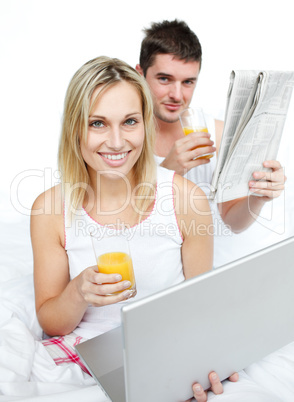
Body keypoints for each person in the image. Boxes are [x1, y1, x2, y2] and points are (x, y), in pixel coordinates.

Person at [30, 56, 236, 401]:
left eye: (129, 121)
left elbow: (201, 306)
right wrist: (77, 292)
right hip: (87, 355)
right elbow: (52, 322)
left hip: (164, 344)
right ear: (74, 129)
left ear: (146, 125)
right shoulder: (50, 210)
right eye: (97, 123)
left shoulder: (186, 200)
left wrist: (198, 364)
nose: (115, 141)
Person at [135, 19, 287, 265]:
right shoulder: (123, 138)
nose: (177, 95)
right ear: (140, 74)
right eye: (164, 79)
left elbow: (231, 220)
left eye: (188, 82)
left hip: (208, 274)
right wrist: (167, 174)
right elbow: (119, 227)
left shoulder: (218, 134)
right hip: (152, 276)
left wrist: (258, 197)